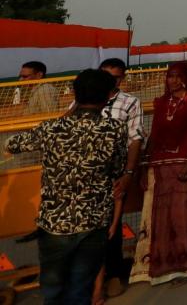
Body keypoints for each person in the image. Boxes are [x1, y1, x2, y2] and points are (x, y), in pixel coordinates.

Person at [5, 69, 127, 305]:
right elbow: (117, 169)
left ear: (74, 94)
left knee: (53, 290)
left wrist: (64, 117)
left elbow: (12, 144)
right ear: (107, 97)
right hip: (93, 221)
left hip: (54, 222)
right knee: (80, 288)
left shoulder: (52, 128)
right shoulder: (114, 130)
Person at [130, 62, 187, 287]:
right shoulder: (161, 102)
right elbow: (154, 135)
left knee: (183, 217)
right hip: (159, 166)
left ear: (186, 77)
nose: (172, 80)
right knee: (158, 218)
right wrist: (144, 165)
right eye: (169, 76)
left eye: (177, 76)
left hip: (184, 164)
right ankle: (159, 266)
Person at [92, 58, 145, 302]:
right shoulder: (85, 98)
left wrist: (129, 174)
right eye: (106, 76)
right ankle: (92, 278)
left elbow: (135, 139)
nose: (111, 81)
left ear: (122, 78)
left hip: (114, 172)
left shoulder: (130, 103)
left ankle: (112, 274)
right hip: (86, 174)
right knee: (88, 229)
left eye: (116, 77)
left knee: (111, 226)